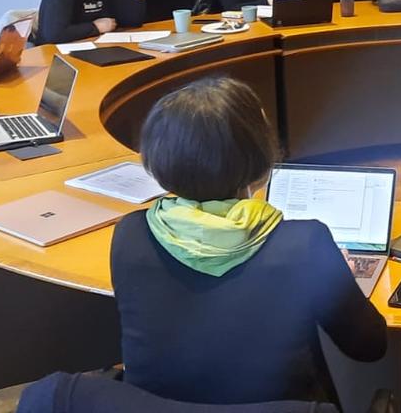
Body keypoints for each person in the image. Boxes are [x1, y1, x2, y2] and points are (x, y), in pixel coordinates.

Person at [110, 77, 386, 406]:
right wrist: (335, 278)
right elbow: (369, 347)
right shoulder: (304, 244)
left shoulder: (130, 234)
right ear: (258, 155)